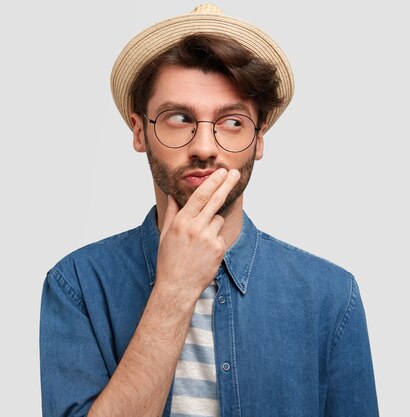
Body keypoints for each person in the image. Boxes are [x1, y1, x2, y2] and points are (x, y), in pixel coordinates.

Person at [39, 4, 378, 417]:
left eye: (232, 122)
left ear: (259, 139)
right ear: (139, 131)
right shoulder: (76, 287)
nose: (204, 147)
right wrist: (174, 290)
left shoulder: (331, 297)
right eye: (179, 118)